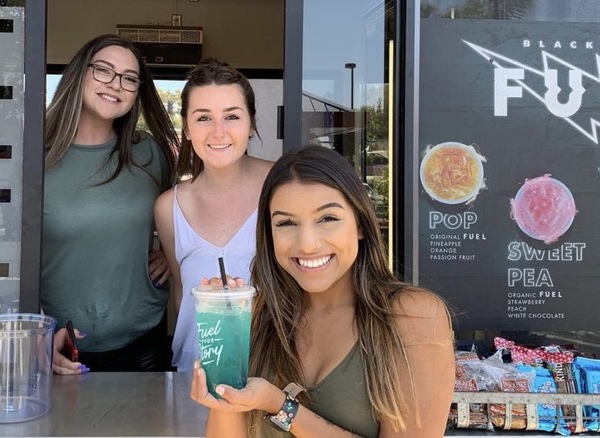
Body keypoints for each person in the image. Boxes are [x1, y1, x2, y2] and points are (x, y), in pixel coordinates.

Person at [190, 146, 454, 437]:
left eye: (327, 219)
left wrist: (280, 405)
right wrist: (226, 361)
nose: (307, 244)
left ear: (361, 225)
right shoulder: (262, 317)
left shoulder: (411, 315)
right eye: (286, 223)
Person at [41, 34, 178, 374]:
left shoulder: (150, 154)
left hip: (144, 336)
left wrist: (167, 253)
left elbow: (182, 215)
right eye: (104, 70)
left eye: (129, 78)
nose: (116, 84)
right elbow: (14, 258)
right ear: (79, 74)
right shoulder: (37, 159)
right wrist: (37, 333)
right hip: (60, 343)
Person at [154, 58, 273, 372]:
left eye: (232, 116)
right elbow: (181, 295)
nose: (218, 132)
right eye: (203, 118)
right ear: (188, 129)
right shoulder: (169, 207)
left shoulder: (282, 186)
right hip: (192, 382)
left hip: (271, 381)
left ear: (251, 124)